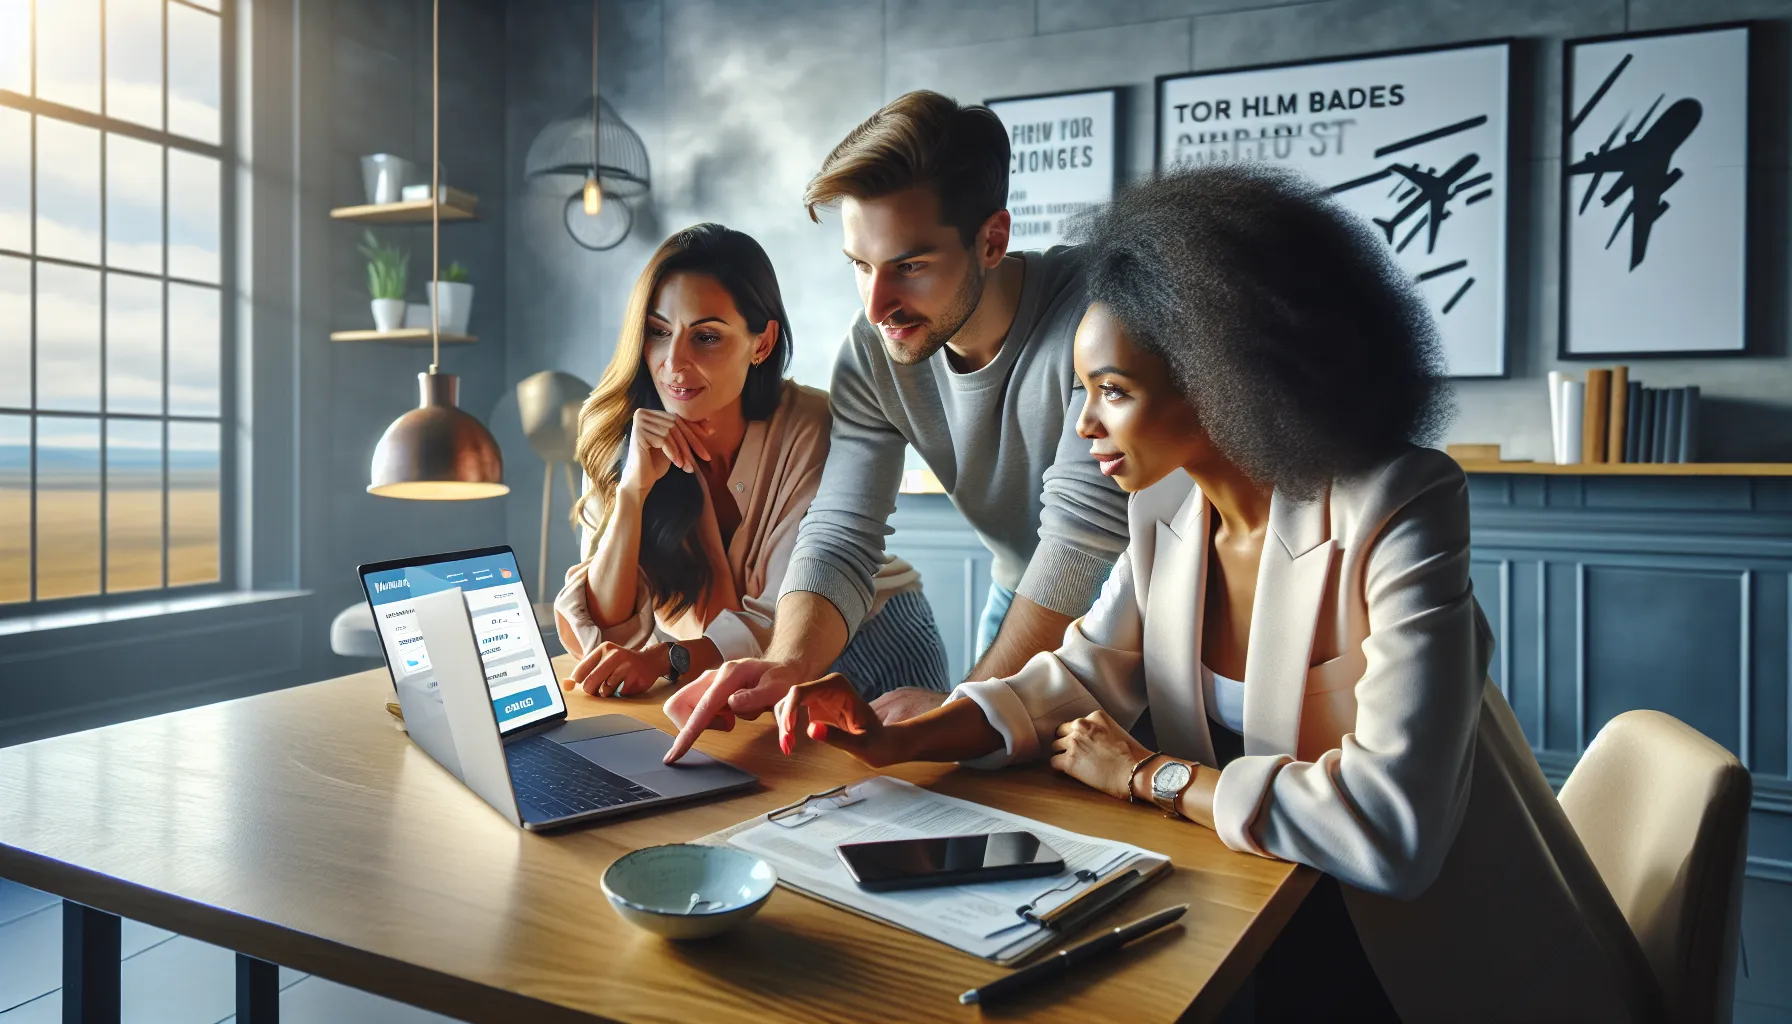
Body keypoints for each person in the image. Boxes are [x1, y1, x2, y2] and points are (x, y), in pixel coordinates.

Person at [770, 166, 1662, 1022]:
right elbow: (1079, 678)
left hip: (1425, 964)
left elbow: (1394, 829)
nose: (1083, 426)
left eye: (1111, 392)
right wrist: (899, 737)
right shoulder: (1167, 508)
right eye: (1082, 390)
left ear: (1224, 380)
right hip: (1259, 911)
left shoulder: (1400, 503)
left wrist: (1154, 775)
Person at [660, 90, 1129, 762]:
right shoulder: (873, 350)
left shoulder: (1098, 316)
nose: (879, 305)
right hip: (1021, 593)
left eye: (909, 266)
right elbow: (842, 531)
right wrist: (789, 663)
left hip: (1140, 614)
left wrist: (957, 714)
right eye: (860, 266)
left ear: (991, 239)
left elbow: (1083, 547)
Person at [554, 224, 950, 702]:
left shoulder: (813, 426)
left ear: (761, 344)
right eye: (658, 332)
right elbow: (605, 632)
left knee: (903, 780)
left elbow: (777, 621)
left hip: (869, 637)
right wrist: (632, 494)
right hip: (711, 666)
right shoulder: (620, 438)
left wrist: (666, 660)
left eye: (705, 337)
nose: (673, 363)